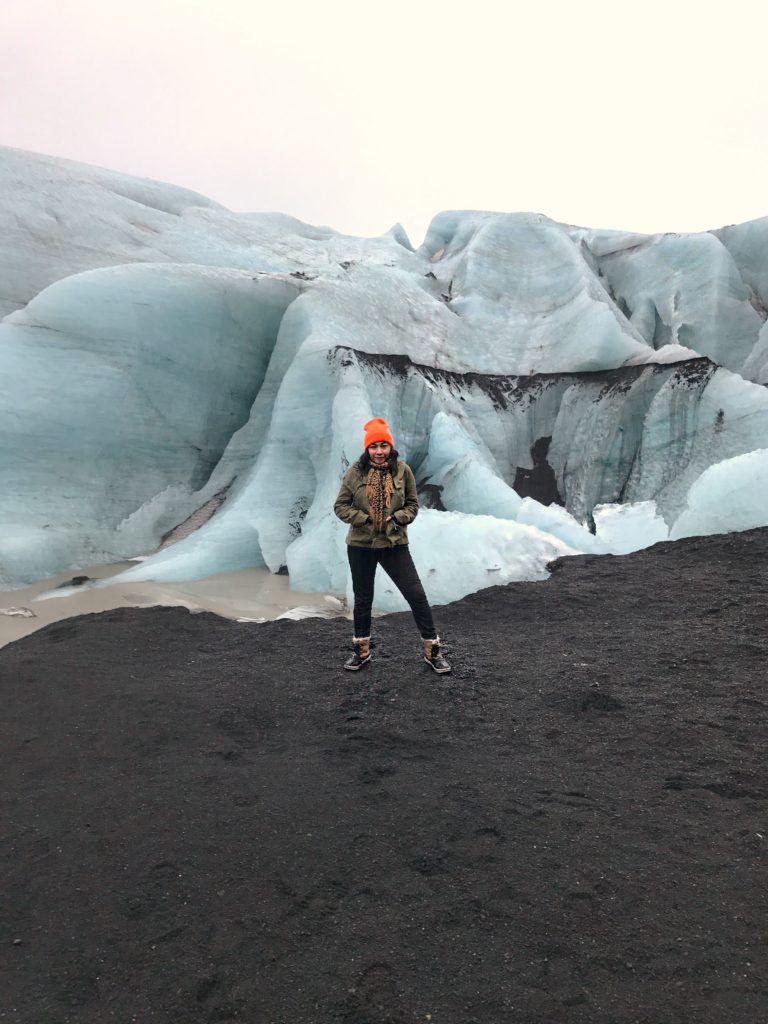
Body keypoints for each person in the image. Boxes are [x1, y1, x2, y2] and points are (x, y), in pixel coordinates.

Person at [333, 417, 451, 674]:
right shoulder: (355, 472)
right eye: (373, 446)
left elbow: (412, 505)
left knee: (416, 595)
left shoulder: (402, 471)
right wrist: (364, 519)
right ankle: (361, 652)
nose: (378, 451)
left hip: (394, 543)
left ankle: (433, 650)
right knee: (363, 599)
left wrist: (398, 517)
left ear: (390, 447)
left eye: (383, 445)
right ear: (367, 448)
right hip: (361, 544)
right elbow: (340, 506)